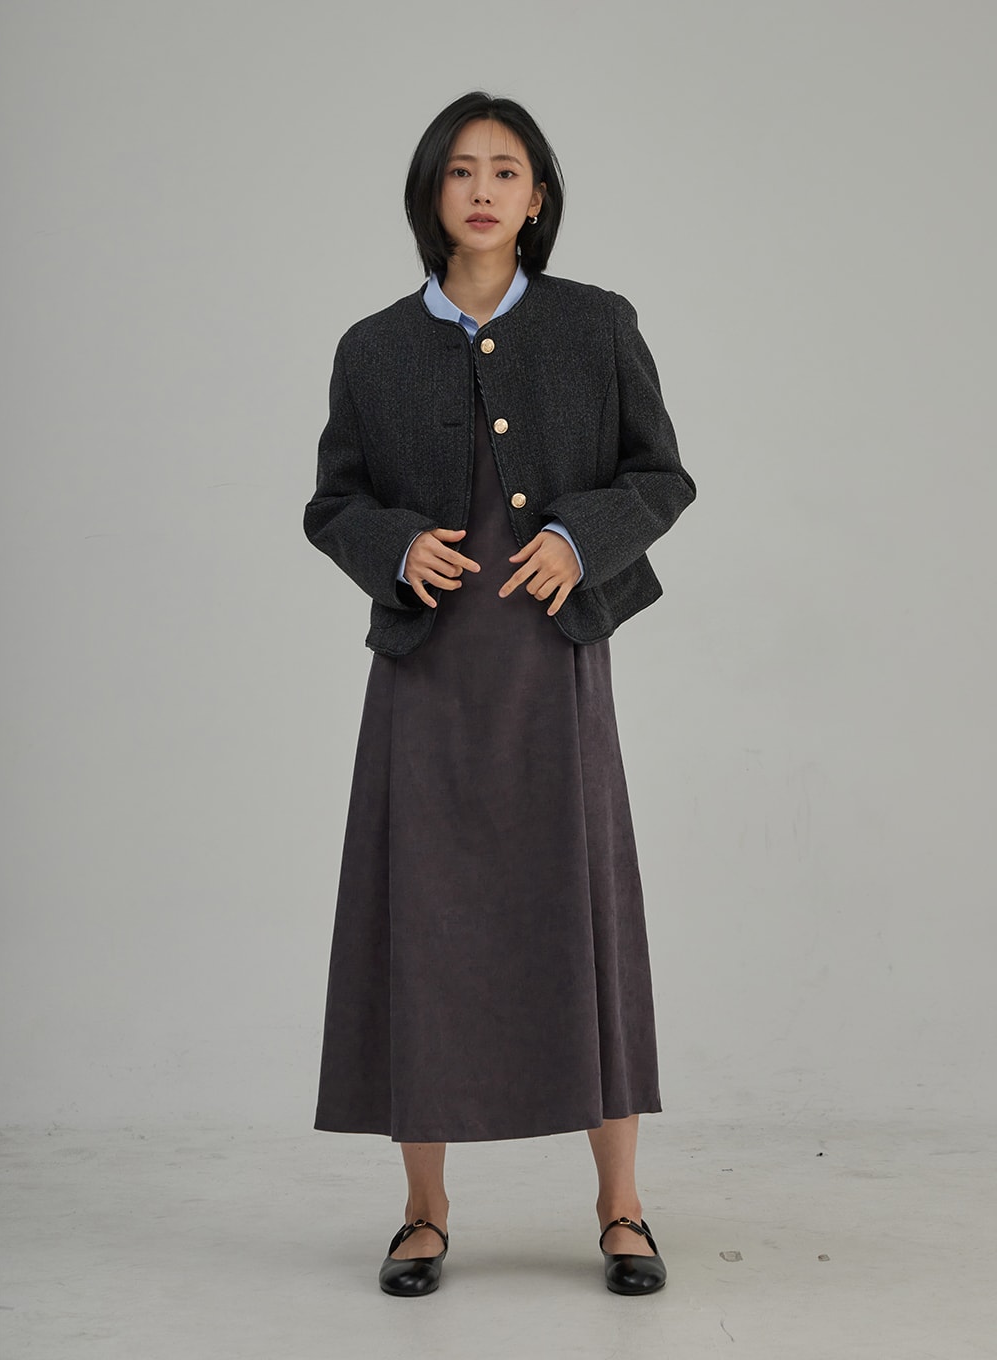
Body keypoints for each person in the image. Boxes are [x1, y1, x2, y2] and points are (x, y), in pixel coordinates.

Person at [303, 90, 696, 1298]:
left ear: (537, 199)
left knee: (586, 917)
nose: (482, 188)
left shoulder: (594, 324)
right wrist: (390, 546)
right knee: (419, 923)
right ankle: (422, 1214)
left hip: (550, 665)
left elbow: (662, 475)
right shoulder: (372, 347)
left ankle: (621, 1207)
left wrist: (581, 537)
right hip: (425, 677)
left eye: (506, 170)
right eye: (461, 169)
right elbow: (333, 502)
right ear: (431, 192)